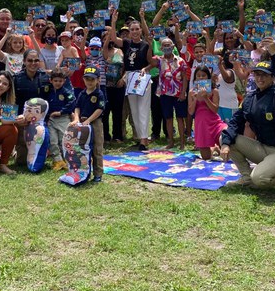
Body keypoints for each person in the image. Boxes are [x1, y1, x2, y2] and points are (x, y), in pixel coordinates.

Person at [220, 37, 275, 193]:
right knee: (226, 137)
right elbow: (235, 122)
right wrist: (225, 144)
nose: (260, 78)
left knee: (260, 180)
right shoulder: (250, 98)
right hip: (263, 148)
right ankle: (246, 177)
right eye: (257, 74)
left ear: (272, 77)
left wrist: (273, 53)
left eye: (264, 75)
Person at [109, 17, 151, 151]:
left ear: (141, 30)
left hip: (142, 78)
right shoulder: (126, 43)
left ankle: (144, 139)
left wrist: (146, 68)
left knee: (143, 109)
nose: (134, 32)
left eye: (137, 29)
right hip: (130, 78)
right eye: (132, 29)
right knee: (134, 110)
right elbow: (114, 39)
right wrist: (114, 22)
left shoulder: (146, 44)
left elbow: (153, 62)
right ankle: (140, 138)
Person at [143, 36, 188, 149]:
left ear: (173, 46)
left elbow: (184, 77)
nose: (167, 47)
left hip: (178, 93)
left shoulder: (180, 60)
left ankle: (182, 143)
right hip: (165, 93)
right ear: (161, 48)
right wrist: (149, 46)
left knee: (180, 118)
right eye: (165, 45)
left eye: (169, 45)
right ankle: (171, 142)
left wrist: (183, 93)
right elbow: (149, 60)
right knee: (168, 118)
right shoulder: (159, 60)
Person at [12, 49, 52, 168]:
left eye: (36, 60)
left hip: (42, 121)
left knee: (40, 151)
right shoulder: (16, 79)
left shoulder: (45, 77)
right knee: (21, 162)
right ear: (24, 61)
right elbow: (12, 101)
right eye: (30, 60)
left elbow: (50, 99)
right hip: (23, 121)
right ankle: (17, 152)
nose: (33, 63)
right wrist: (17, 118)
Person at [71, 66, 106, 182]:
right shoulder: (82, 93)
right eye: (87, 79)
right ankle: (83, 171)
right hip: (82, 123)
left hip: (95, 123)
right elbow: (77, 107)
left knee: (97, 148)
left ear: (98, 80)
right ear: (83, 79)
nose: (89, 82)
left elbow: (99, 109)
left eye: (92, 79)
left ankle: (98, 173)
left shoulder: (99, 94)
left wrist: (89, 120)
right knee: (81, 148)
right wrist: (76, 118)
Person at [188, 66, 227, 160]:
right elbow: (190, 111)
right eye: (198, 76)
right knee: (206, 157)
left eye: (203, 75)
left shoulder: (214, 91)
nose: (201, 78)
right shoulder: (191, 92)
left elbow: (215, 110)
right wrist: (195, 99)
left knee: (226, 135)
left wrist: (206, 98)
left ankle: (218, 146)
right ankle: (214, 148)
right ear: (195, 78)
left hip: (214, 123)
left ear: (208, 77)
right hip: (201, 124)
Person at [47, 68, 76, 171]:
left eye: (60, 81)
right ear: (51, 80)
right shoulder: (48, 91)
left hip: (63, 118)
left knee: (63, 140)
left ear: (64, 81)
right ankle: (57, 160)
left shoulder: (66, 92)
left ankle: (67, 160)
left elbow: (72, 102)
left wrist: (61, 112)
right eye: (55, 81)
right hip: (51, 119)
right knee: (52, 140)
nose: (58, 83)